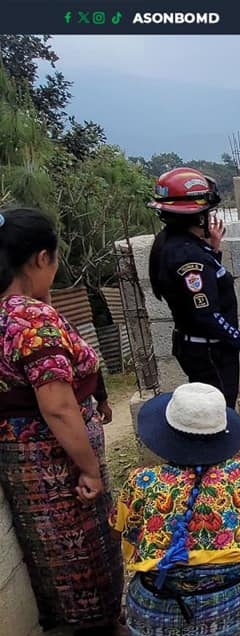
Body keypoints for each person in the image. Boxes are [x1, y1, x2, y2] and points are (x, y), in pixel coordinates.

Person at [0, 208, 126, 635]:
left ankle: (72, 622)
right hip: (56, 465)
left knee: (49, 552)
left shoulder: (13, 310)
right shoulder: (32, 321)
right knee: (82, 553)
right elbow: (57, 405)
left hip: (22, 461)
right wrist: (89, 469)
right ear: (41, 258)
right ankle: (99, 626)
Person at [111, 382, 240, 636]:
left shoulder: (140, 481)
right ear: (222, 433)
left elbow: (117, 532)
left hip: (154, 619)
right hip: (234, 611)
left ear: (164, 433)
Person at [147, 167, 240, 408]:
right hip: (209, 352)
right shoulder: (188, 256)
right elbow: (205, 313)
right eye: (208, 212)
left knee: (215, 411)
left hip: (201, 348)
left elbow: (205, 287)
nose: (210, 218)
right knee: (219, 412)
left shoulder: (180, 245)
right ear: (196, 215)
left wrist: (214, 250)